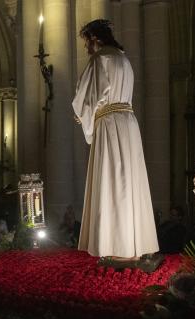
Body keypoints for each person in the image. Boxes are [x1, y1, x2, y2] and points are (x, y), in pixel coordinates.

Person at [72, 19, 159, 261]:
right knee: (128, 182)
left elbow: (87, 97)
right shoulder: (124, 60)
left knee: (111, 181)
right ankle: (132, 245)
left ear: (96, 39)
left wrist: (82, 116)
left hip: (109, 123)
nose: (87, 49)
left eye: (87, 43)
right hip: (128, 124)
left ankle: (114, 246)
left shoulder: (101, 59)